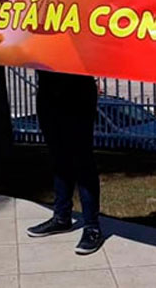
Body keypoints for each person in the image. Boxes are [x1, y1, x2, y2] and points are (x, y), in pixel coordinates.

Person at [26, 70, 104, 255]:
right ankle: (61, 217)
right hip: (48, 89)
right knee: (58, 157)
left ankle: (92, 227)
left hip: (78, 90)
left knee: (82, 159)